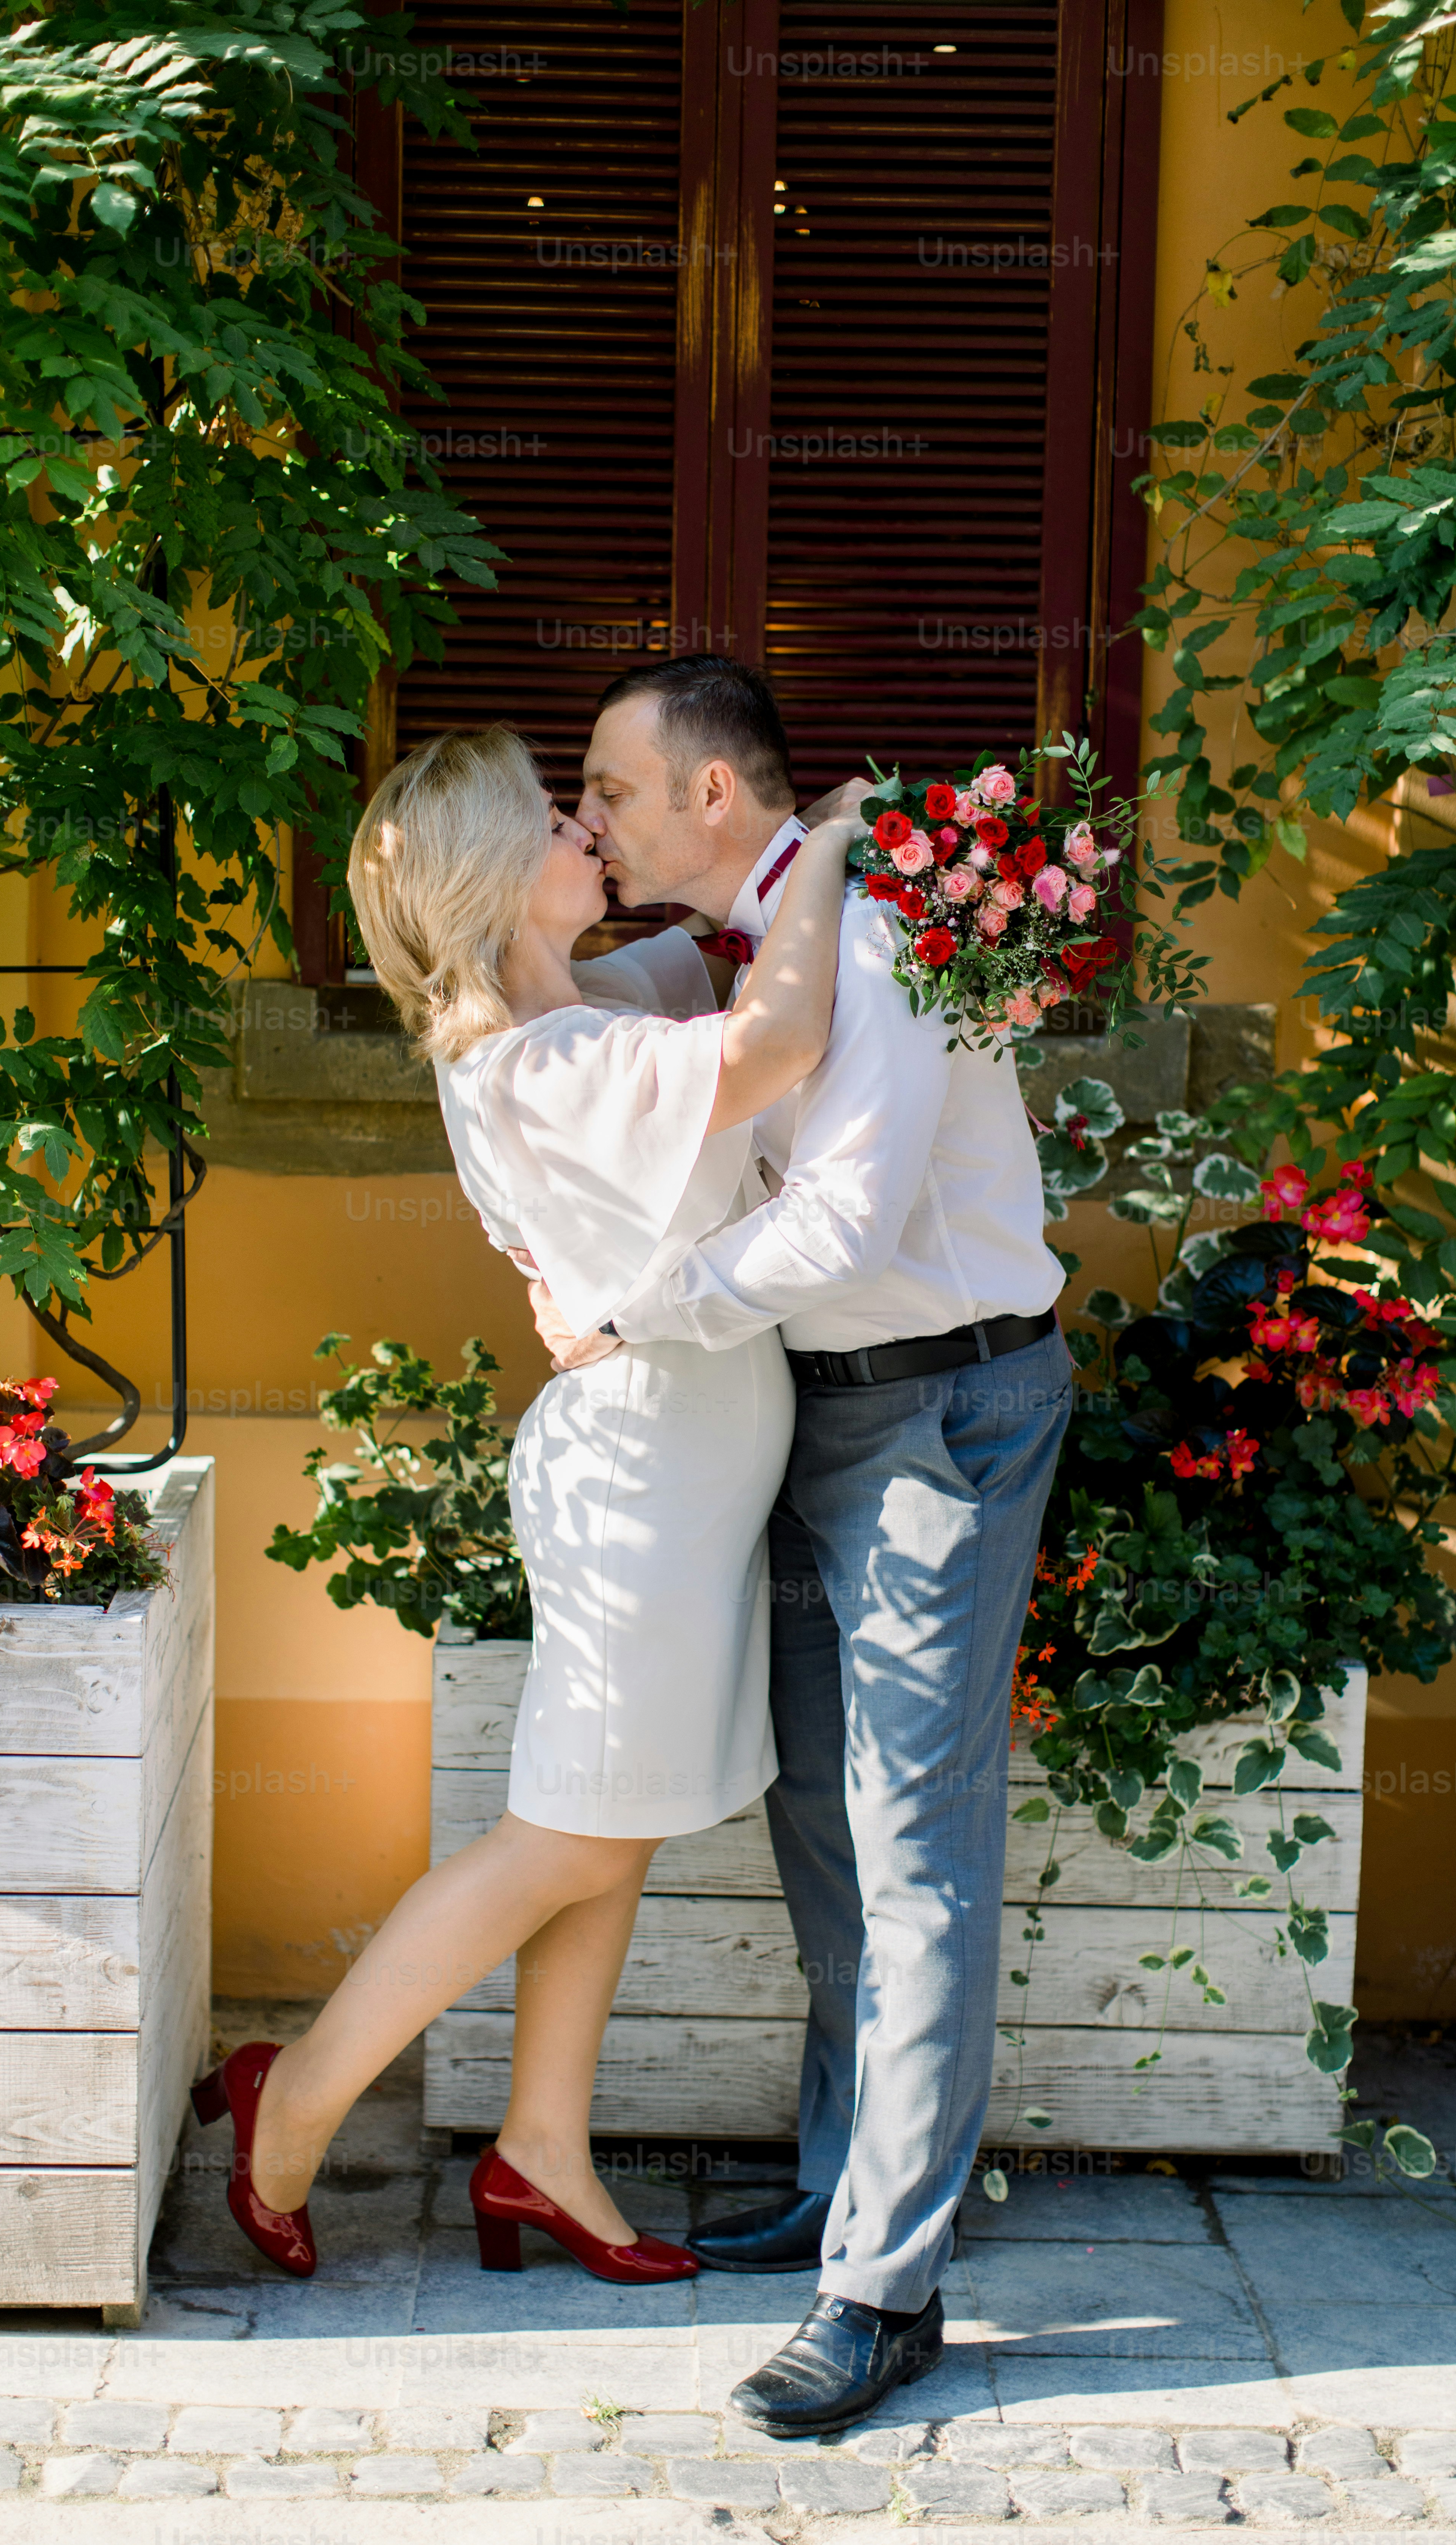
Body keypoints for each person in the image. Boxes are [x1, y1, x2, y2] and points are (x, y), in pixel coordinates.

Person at [188, 722, 862, 2287]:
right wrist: (832, 840)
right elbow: (771, 1047)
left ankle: (539, 2152)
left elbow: (715, 964)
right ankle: (285, 2104)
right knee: (559, 1836)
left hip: (673, 1470)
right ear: (498, 874)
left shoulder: (582, 1009)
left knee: (604, 1836)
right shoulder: (546, 1062)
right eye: (563, 819)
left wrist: (741, 859)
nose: (590, 833)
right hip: (638, 1481)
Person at [528, 656, 1072, 2432]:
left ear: (707, 791)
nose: (587, 816)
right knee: (814, 1817)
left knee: (913, 1840)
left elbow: (838, 1227)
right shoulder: (759, 933)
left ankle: (885, 2289)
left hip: (940, 1408)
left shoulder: (884, 934)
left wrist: (637, 1313)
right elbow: (554, 1010)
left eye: (606, 785)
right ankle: (849, 2179)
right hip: (812, 1414)